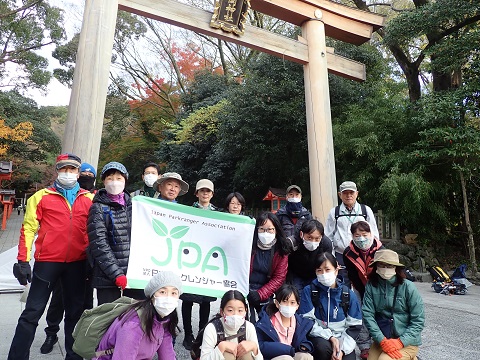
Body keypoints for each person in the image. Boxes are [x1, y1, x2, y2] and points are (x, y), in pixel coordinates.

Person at [9, 153, 94, 360]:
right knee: (32, 313)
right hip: (47, 262)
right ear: (57, 170)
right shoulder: (40, 196)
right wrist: (22, 260)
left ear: (78, 172)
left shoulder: (90, 198)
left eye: (72, 169)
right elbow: (28, 229)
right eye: (64, 168)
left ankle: (73, 356)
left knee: (75, 314)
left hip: (77, 263)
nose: (68, 173)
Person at [40, 162, 98, 354]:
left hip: (86, 260)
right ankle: (51, 332)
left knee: (84, 302)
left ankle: (80, 339)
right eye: (85, 174)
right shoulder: (70, 195)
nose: (87, 177)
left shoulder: (96, 198)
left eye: (91, 174)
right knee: (57, 299)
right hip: (62, 258)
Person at [87, 162, 144, 305]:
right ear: (104, 181)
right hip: (107, 277)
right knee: (108, 318)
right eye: (110, 178)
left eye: (119, 178)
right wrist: (116, 274)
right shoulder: (98, 208)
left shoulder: (136, 205)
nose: (114, 182)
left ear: (125, 180)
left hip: (135, 276)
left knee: (135, 319)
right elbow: (99, 244)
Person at [94, 271, 182, 359]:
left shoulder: (164, 320)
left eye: (173, 293)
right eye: (162, 292)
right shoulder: (134, 324)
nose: (168, 298)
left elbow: (167, 354)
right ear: (152, 296)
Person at [298, 252, 362, 360]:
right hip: (319, 337)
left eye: (327, 270)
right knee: (322, 348)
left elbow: (354, 326)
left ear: (336, 270)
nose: (323, 274)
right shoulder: (309, 291)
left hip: (343, 338)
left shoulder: (348, 294)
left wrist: (342, 349)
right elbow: (306, 321)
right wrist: (330, 337)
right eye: (319, 270)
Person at [362, 250, 424, 360]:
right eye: (381, 265)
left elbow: (418, 321)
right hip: (383, 339)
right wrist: (381, 340)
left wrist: (401, 342)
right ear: (376, 266)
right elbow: (368, 315)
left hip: (407, 341)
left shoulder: (408, 287)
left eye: (389, 265)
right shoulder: (371, 286)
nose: (385, 268)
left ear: (396, 267)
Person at [182, 179, 219, 350]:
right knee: (187, 299)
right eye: (202, 190)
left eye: (208, 191)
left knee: (205, 300)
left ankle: (202, 333)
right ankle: (188, 333)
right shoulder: (187, 211)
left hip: (208, 261)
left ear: (212, 194)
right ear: (196, 193)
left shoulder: (219, 214)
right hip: (190, 259)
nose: (205, 193)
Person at [324, 181, 379, 287]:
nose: (348, 195)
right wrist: (332, 257)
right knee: (342, 285)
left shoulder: (365, 210)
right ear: (340, 195)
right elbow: (328, 236)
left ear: (357, 194)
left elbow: (374, 234)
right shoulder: (334, 212)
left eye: (351, 193)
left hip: (362, 255)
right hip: (341, 254)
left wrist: (373, 254)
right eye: (345, 193)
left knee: (363, 284)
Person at [343, 221, 384, 360]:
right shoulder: (348, 253)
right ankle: (364, 346)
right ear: (352, 236)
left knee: (380, 314)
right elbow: (351, 275)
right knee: (360, 313)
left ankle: (380, 342)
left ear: (371, 234)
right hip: (359, 286)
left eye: (364, 234)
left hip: (379, 287)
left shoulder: (381, 250)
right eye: (357, 235)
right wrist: (361, 292)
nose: (361, 238)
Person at [248, 212, 291, 323]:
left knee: (267, 323)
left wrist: (260, 294)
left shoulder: (281, 250)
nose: (265, 233)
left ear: (276, 230)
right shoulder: (248, 245)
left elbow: (279, 278)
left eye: (270, 229)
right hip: (246, 289)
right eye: (262, 229)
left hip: (267, 292)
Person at [255, 283, 314, 360]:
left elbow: (303, 340)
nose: (288, 305)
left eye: (292, 302)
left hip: (291, 354)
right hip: (273, 357)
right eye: (285, 301)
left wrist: (304, 346)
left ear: (297, 305)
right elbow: (260, 345)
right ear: (277, 303)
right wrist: (287, 350)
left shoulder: (300, 322)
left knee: (306, 357)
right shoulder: (265, 322)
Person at [201, 289, 263, 360]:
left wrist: (254, 347)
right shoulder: (212, 328)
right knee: (227, 355)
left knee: (248, 353)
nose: (235, 315)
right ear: (222, 312)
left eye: (240, 310)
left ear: (245, 311)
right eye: (230, 310)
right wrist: (221, 347)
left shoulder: (249, 327)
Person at [287, 220, 333, 293]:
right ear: (301, 234)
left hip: (315, 274)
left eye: (317, 239)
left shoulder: (326, 244)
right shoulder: (292, 243)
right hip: (295, 274)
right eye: (309, 238)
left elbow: (327, 263)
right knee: (297, 295)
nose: (313, 241)